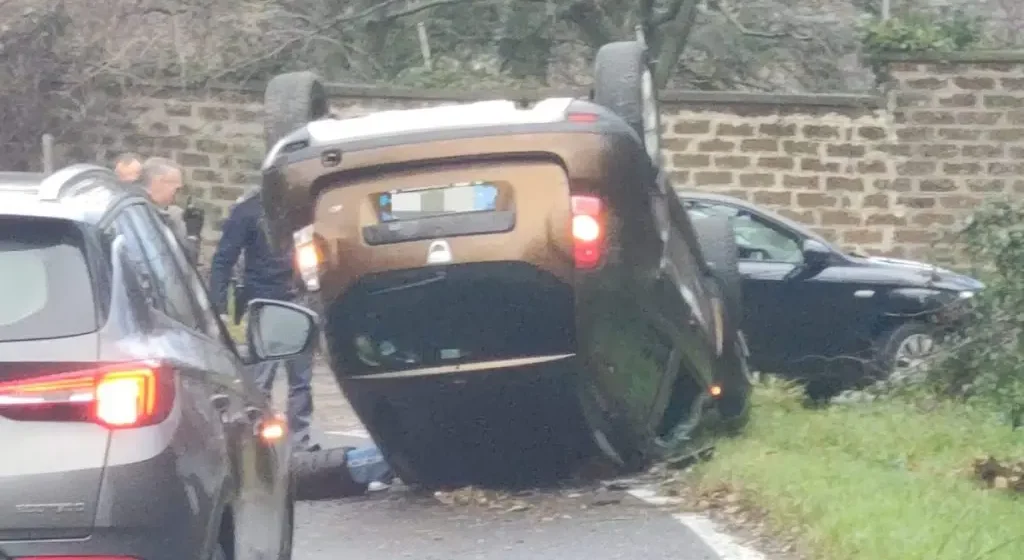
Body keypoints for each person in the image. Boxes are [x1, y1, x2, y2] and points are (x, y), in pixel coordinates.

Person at [209, 185, 320, 452]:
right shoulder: (249, 210)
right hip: (266, 300)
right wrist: (220, 305)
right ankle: (258, 439)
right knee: (261, 379)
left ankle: (298, 443)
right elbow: (224, 258)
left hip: (300, 297)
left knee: (300, 380)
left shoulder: (305, 209)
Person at [138, 157, 201, 264]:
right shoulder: (138, 214)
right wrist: (191, 238)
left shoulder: (162, 213)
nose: (176, 195)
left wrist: (192, 234)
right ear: (158, 182)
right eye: (176, 189)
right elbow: (181, 263)